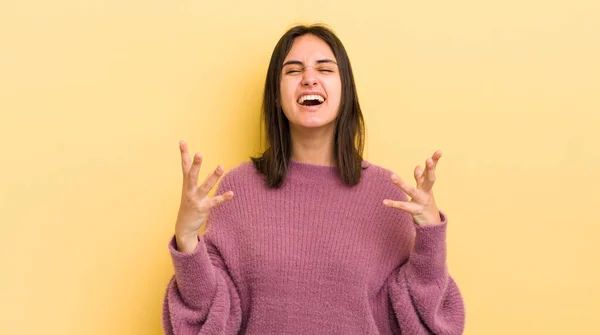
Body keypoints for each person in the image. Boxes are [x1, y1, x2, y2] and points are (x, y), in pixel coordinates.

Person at [162, 24, 465, 335]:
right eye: (293, 70)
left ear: (345, 89)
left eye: (325, 68)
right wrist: (187, 240)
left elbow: (424, 321)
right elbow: (210, 320)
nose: (309, 78)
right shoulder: (235, 192)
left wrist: (430, 234)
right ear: (276, 95)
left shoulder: (387, 196)